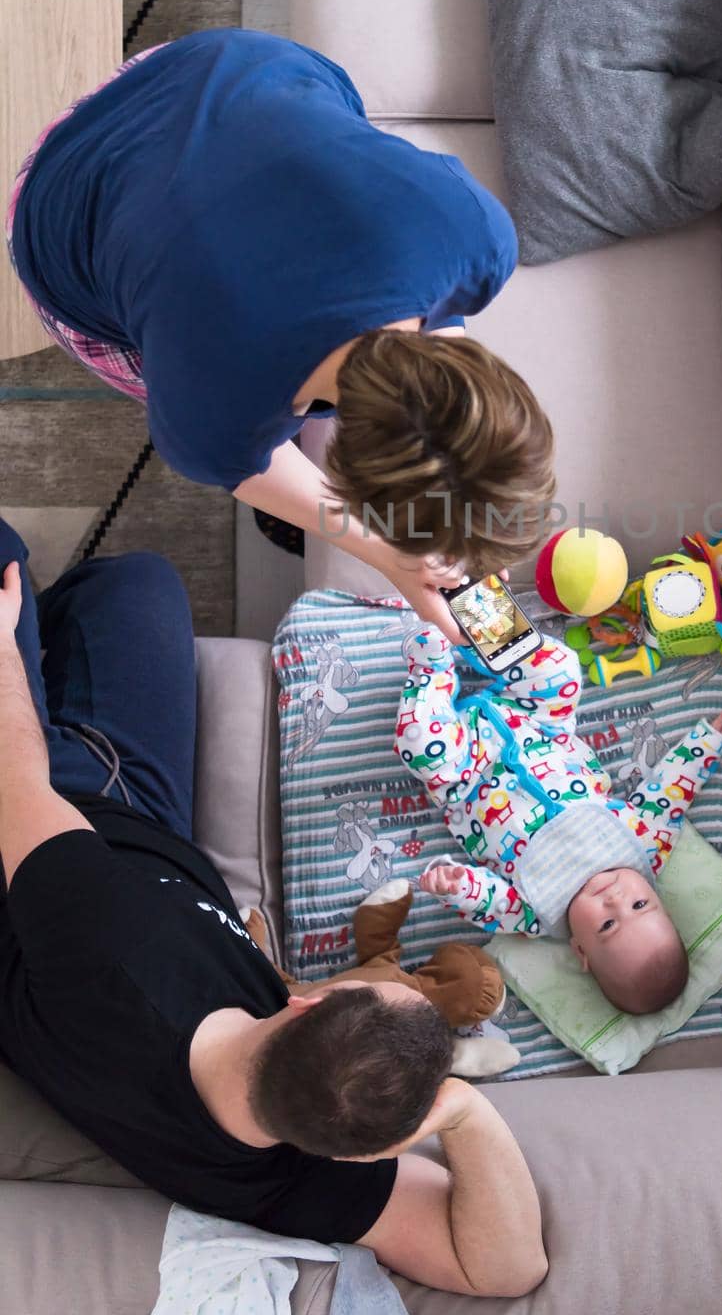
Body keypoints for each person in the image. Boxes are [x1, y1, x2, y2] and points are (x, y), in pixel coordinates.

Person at [0, 524, 546, 1297]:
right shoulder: (296, 1177)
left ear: (302, 1002)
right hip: (143, 837)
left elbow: (15, 780)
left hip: (49, 825)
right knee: (140, 582)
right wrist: (464, 1117)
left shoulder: (114, 953)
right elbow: (506, 1269)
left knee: (5, 558)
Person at [5, 29, 556, 637]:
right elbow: (248, 466)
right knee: (193, 379)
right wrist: (387, 555)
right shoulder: (209, 412)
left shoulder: (478, 234)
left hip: (222, 62)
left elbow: (431, 320)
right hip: (57, 195)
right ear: (343, 464)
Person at [396, 623, 722, 1014]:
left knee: (420, 746)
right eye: (640, 905)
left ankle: (433, 665)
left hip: (465, 770)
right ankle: (482, 629)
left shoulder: (534, 913)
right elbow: (670, 793)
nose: (616, 901)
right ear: (660, 900)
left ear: (580, 949)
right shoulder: (646, 845)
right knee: (560, 670)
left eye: (607, 926)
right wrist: (709, 744)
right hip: (537, 721)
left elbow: (487, 901)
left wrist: (454, 885)